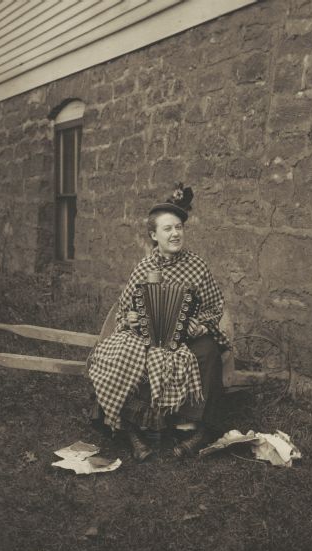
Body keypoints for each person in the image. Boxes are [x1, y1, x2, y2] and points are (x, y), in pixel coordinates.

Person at [89, 183, 230, 461]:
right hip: (148, 335)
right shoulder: (143, 268)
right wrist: (130, 318)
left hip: (184, 336)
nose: (176, 234)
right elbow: (124, 309)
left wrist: (201, 323)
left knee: (209, 352)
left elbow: (215, 306)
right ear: (154, 235)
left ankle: (201, 429)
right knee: (118, 354)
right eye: (168, 229)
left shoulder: (197, 266)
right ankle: (132, 429)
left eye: (179, 227)